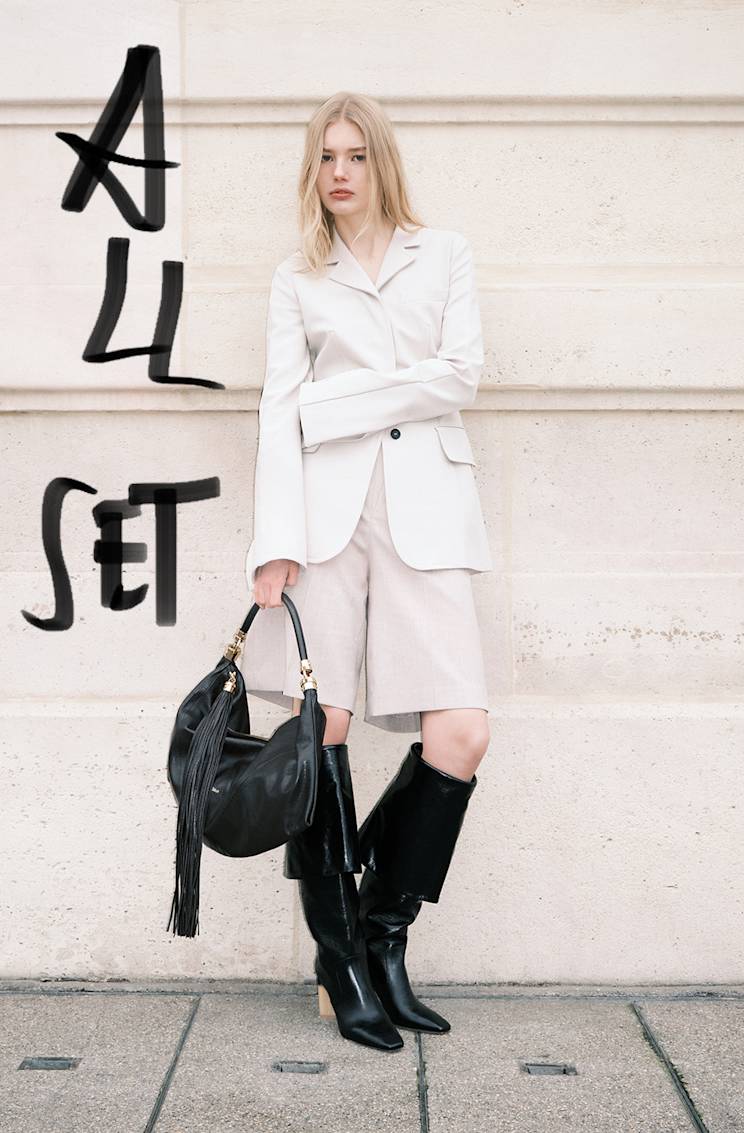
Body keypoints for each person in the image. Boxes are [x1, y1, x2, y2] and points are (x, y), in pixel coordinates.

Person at [235, 92, 493, 1049]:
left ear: (381, 163)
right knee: (322, 729)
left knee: (461, 731)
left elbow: (460, 374)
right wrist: (273, 541)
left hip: (425, 509)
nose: (339, 172)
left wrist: (334, 401)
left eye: (355, 156)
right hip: (323, 522)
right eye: (324, 158)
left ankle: (384, 934)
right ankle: (340, 959)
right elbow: (277, 409)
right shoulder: (297, 278)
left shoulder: (445, 254)